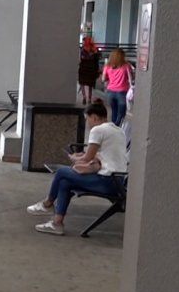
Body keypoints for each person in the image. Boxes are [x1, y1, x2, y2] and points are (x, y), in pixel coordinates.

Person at [27, 100, 127, 235]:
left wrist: (75, 158)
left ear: (94, 117)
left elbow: (88, 158)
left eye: (87, 119)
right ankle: (57, 223)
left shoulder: (98, 130)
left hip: (107, 181)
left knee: (61, 172)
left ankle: (47, 204)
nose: (87, 124)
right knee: (65, 182)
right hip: (118, 181)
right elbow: (102, 154)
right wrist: (82, 156)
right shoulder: (118, 130)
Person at [102, 48, 134, 126]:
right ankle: (116, 128)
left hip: (110, 92)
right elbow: (131, 78)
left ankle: (113, 128)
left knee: (114, 111)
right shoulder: (126, 66)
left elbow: (103, 79)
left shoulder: (107, 66)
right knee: (121, 114)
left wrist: (110, 77)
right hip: (122, 92)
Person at [77, 36, 101, 105]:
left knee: (82, 83)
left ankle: (84, 97)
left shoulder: (82, 49)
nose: (83, 42)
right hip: (92, 68)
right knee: (90, 84)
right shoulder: (95, 48)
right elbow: (97, 59)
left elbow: (81, 59)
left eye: (84, 41)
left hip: (84, 68)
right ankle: (89, 98)